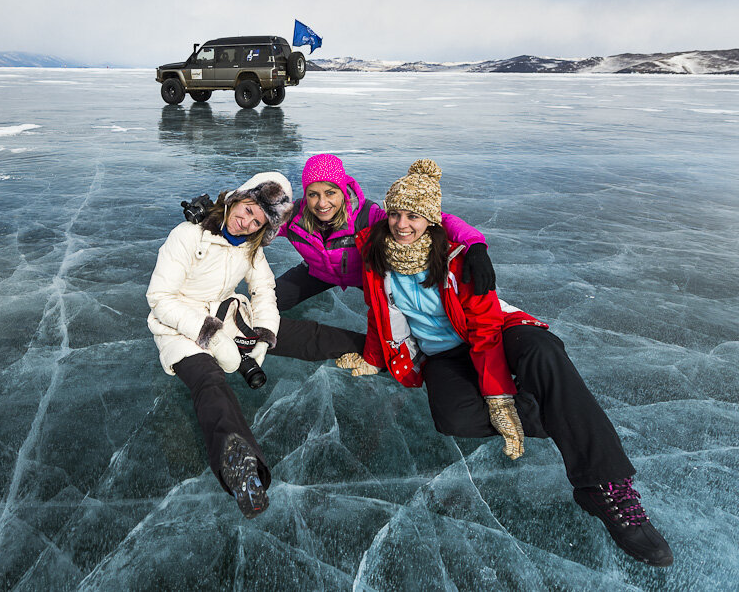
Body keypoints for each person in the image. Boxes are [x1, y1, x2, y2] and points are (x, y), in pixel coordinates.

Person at [337, 158, 673, 567]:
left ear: (431, 219)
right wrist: (374, 358)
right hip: (442, 351)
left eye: (413, 216)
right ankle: (564, 412)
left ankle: (603, 485)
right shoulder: (375, 252)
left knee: (543, 351)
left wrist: (498, 399)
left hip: (492, 328)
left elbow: (483, 331)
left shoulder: (460, 258)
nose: (401, 224)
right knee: (453, 418)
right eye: (395, 214)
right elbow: (378, 312)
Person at [146, 172, 363, 519]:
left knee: (303, 334)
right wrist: (211, 336)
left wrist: (264, 335)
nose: (245, 222)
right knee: (209, 383)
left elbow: (264, 291)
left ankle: (373, 347)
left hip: (226, 314)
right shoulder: (188, 235)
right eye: (246, 209)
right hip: (179, 327)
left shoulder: (250, 248)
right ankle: (243, 470)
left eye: (257, 220)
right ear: (236, 199)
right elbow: (159, 298)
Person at [275, 153, 495, 313]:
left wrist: (475, 246)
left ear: (342, 191)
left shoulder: (367, 215)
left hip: (365, 275)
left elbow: (438, 219)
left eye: (330, 192)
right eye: (313, 194)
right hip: (318, 272)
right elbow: (257, 221)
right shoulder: (295, 216)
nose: (322, 203)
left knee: (403, 320)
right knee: (270, 303)